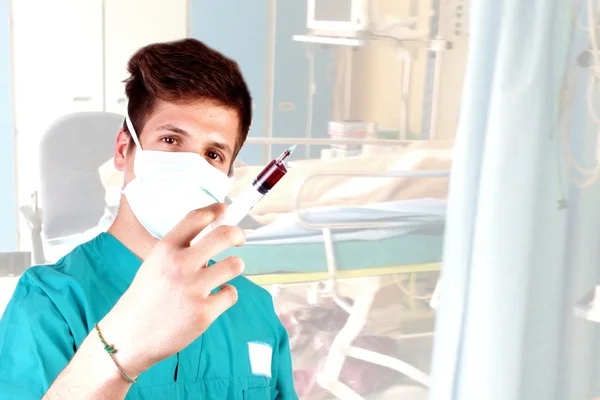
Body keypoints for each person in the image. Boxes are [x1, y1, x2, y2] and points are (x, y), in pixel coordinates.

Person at [0, 38, 297, 400]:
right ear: (124, 150)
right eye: (171, 140)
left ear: (228, 178)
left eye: (214, 153)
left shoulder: (252, 307)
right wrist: (121, 349)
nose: (193, 165)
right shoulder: (52, 304)